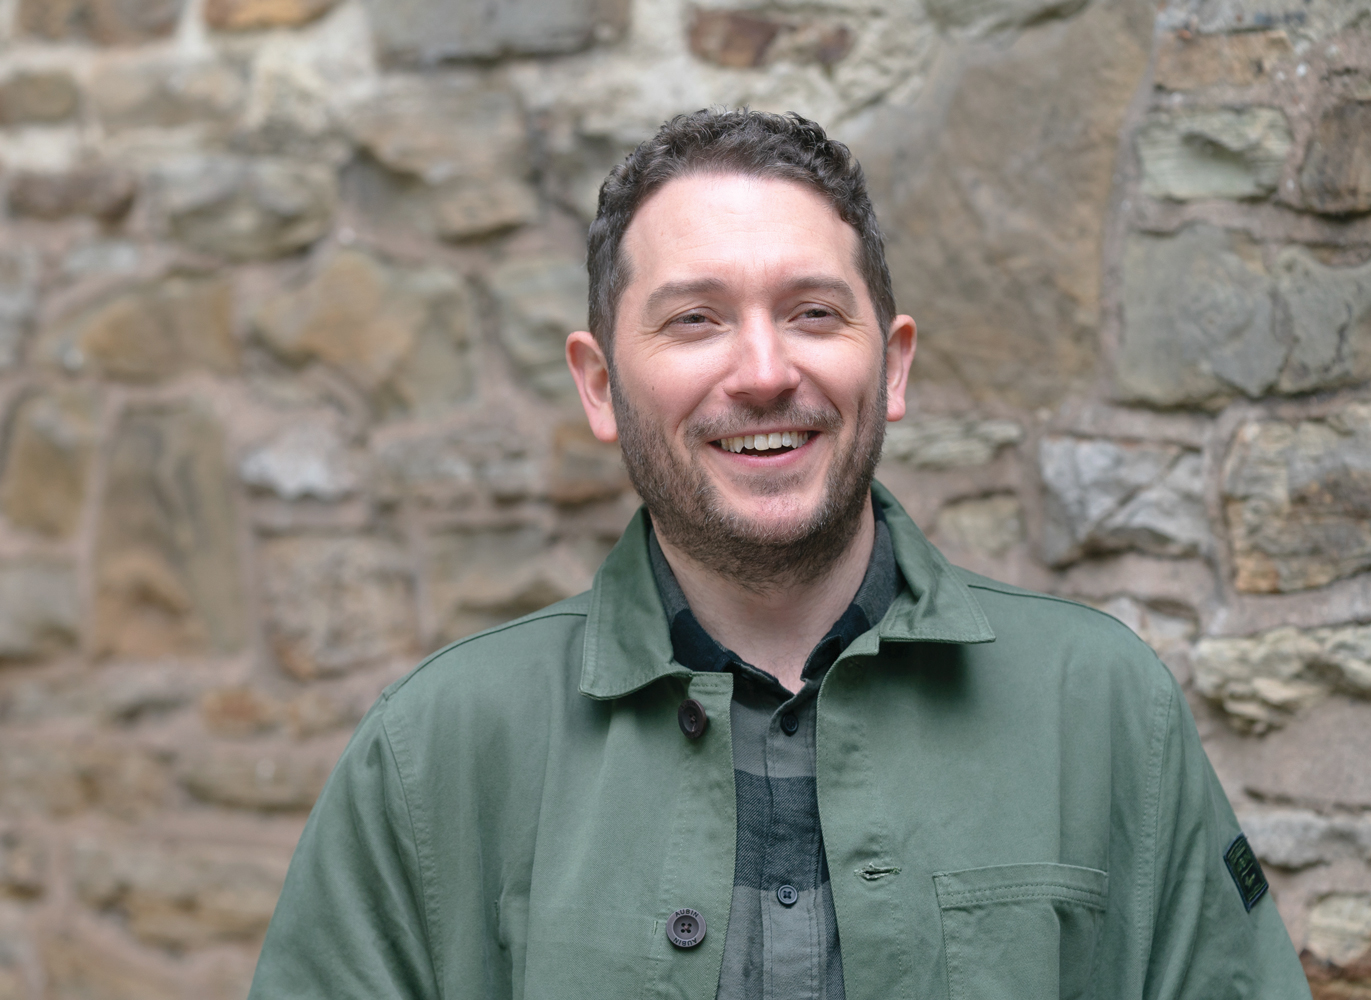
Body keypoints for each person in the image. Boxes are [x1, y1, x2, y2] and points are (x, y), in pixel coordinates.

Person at [248, 109, 1312, 999]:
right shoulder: (433, 754)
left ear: (891, 365)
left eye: (812, 312)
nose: (763, 371)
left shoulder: (1104, 709)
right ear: (599, 385)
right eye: (695, 319)